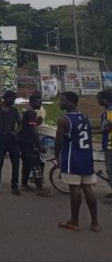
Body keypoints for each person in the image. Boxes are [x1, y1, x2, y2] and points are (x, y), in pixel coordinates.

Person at [55, 91, 100, 232]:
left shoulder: (63, 120)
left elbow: (59, 141)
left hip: (72, 157)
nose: (60, 102)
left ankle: (74, 221)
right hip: (86, 157)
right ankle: (95, 223)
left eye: (62, 100)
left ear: (72, 102)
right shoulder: (85, 117)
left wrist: (57, 156)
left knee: (75, 188)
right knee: (88, 188)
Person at [0, 90, 22, 195]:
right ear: (5, 98)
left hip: (12, 140)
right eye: (11, 99)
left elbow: (20, 124)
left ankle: (14, 186)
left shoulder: (14, 110)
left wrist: (16, 132)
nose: (13, 101)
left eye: (14, 99)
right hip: (0, 140)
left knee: (16, 163)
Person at [18, 93, 50, 196]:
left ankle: (24, 184)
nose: (40, 102)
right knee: (36, 164)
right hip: (28, 141)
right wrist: (39, 145)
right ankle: (39, 188)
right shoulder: (31, 112)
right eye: (38, 101)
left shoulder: (28, 111)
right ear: (32, 102)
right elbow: (32, 130)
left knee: (27, 163)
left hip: (23, 140)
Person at [96, 90, 112, 201]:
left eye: (99, 98)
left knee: (110, 169)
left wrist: (92, 133)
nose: (98, 101)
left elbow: (108, 128)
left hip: (110, 145)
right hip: (108, 144)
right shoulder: (107, 110)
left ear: (105, 99)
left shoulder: (110, 111)